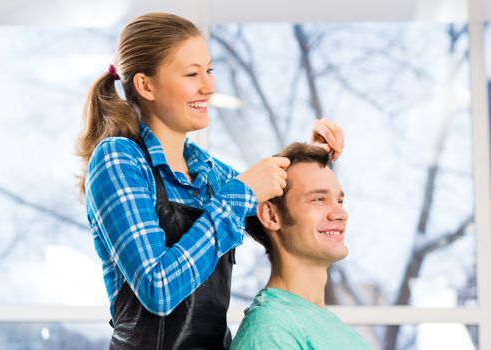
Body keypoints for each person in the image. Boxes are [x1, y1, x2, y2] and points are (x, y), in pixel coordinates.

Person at [76, 12, 344, 349]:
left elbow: (277, 211)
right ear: (146, 85)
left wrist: (309, 158)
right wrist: (238, 196)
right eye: (192, 74)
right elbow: (157, 287)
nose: (209, 86)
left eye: (209, 70)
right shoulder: (119, 159)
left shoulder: (208, 171)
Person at [231, 142, 371, 349]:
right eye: (318, 199)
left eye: (339, 201)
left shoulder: (327, 325)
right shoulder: (270, 330)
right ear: (271, 215)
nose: (341, 214)